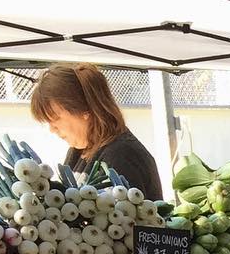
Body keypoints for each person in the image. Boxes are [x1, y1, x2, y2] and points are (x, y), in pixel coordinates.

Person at [29, 64, 162, 198]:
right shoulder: (77, 152)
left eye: (56, 119)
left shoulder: (122, 155)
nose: (52, 129)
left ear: (83, 109)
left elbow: (124, 215)